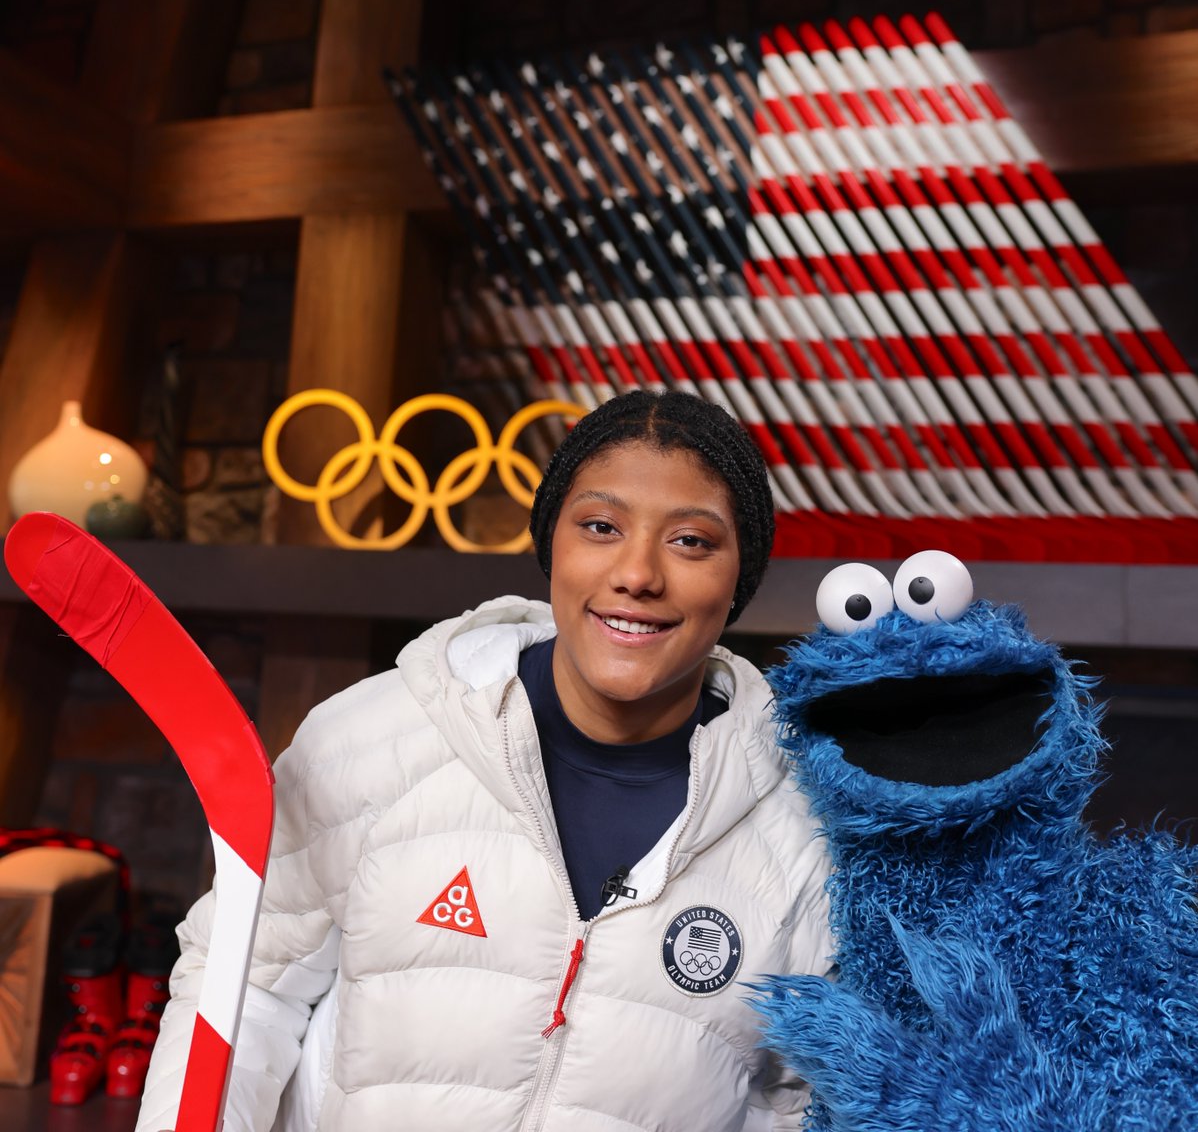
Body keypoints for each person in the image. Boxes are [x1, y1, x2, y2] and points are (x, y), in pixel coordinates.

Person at [135, 389, 832, 1132]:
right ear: (550, 543)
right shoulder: (373, 738)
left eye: (691, 541)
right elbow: (246, 988)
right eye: (600, 527)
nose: (638, 574)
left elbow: (792, 1103)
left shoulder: (802, 831)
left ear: (740, 579)